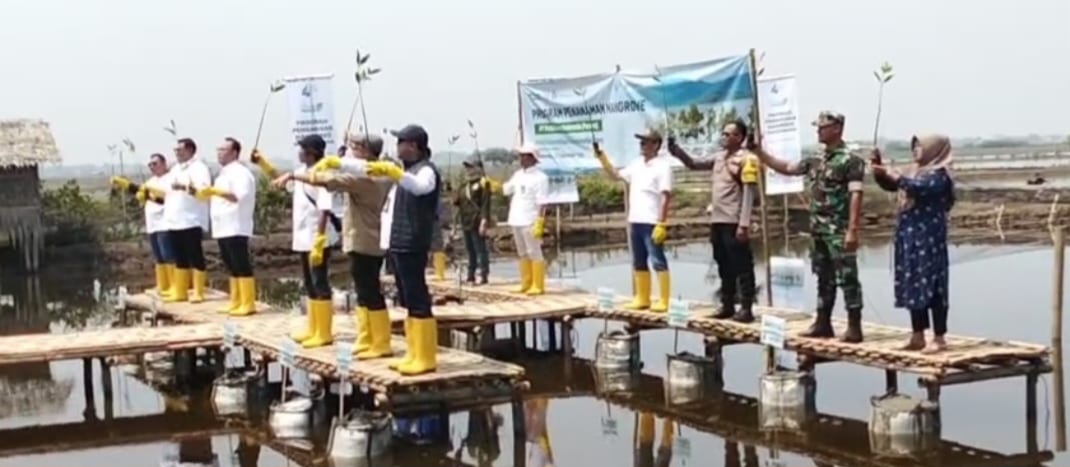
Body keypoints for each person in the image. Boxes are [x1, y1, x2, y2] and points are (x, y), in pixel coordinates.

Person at [751, 111, 866, 342]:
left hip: (839, 229)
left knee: (847, 277)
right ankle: (823, 323)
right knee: (823, 276)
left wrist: (852, 229)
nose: (818, 130)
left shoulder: (851, 160)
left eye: (823, 127)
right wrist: (759, 153)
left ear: (836, 128)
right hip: (818, 229)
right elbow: (787, 168)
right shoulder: (816, 159)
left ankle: (854, 327)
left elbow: (856, 194)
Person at [305, 133, 394, 360]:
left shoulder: (366, 178)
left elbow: (326, 181)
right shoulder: (381, 171)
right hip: (365, 239)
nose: (351, 150)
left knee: (370, 291)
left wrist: (329, 165)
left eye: (354, 147)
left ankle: (381, 341)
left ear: (365, 151)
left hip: (365, 240)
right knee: (363, 291)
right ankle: (366, 336)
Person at [366, 124, 441, 375]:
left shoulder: (426, 171)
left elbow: (420, 187)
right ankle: (413, 352)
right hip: (398, 243)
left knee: (417, 297)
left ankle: (426, 356)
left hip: (413, 242)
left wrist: (396, 173)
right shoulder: (405, 172)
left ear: (413, 146)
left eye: (401, 142)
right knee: (407, 299)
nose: (397, 146)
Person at [668, 119, 759, 322]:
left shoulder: (747, 159)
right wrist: (677, 151)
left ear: (739, 137)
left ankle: (746, 308)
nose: (724, 137)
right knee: (723, 264)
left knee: (742, 266)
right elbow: (693, 164)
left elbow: (749, 193)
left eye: (729, 134)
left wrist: (744, 224)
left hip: (734, 220)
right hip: (717, 220)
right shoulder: (719, 157)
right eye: (723, 134)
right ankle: (727, 305)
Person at [872, 135, 954, 353]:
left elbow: (914, 187)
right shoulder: (914, 171)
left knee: (934, 285)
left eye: (921, 146)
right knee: (912, 282)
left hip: (929, 239)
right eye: (914, 146)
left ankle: (939, 338)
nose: (916, 150)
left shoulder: (939, 176)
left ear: (934, 150)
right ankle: (917, 335)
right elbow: (893, 185)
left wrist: (892, 172)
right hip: (909, 238)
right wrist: (878, 170)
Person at [267, 134, 338, 348]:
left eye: (302, 149)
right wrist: (263, 163)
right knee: (308, 282)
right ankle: (313, 326)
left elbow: (325, 209)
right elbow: (281, 182)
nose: (299, 153)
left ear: (311, 152)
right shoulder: (300, 173)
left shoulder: (322, 174)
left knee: (319, 282)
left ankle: (324, 331)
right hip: (302, 236)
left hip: (317, 237)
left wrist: (320, 238)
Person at [593, 129, 673, 312]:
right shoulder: (636, 164)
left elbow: (665, 196)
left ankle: (664, 300)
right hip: (635, 219)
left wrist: (662, 223)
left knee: (657, 259)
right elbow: (616, 176)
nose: (642, 146)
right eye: (641, 142)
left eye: (645, 142)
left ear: (656, 145)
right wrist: (602, 158)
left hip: (652, 220)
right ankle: (642, 298)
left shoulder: (663, 166)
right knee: (638, 260)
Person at [198, 137, 257, 316]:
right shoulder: (223, 173)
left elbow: (238, 196)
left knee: (241, 262)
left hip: (236, 224)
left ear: (234, 152)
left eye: (223, 150)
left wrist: (215, 191)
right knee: (230, 263)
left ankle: (248, 302)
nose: (219, 153)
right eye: (218, 150)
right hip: (223, 225)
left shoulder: (241, 173)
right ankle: (236, 300)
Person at [109, 153, 174, 297]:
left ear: (164, 164)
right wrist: (125, 184)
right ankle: (162, 285)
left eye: (155, 164)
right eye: (150, 165)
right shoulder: (151, 181)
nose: (152, 167)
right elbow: (140, 190)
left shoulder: (170, 179)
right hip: (152, 224)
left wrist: (149, 196)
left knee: (167, 255)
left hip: (165, 222)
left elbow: (165, 198)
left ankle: (173, 285)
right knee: (158, 256)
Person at [164, 138, 212, 303]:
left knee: (194, 254)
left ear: (190, 150)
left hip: (191, 219)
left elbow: (204, 189)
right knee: (179, 256)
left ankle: (198, 291)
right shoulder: (175, 169)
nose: (177, 153)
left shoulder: (199, 168)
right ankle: (181, 290)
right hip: (175, 219)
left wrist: (185, 186)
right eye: (175, 150)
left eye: (180, 150)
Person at [502, 143, 549, 295]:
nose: (521, 158)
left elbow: (542, 202)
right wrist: (494, 184)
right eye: (520, 155)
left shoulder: (541, 178)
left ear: (532, 158)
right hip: (516, 218)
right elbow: (506, 190)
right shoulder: (518, 175)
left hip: (530, 219)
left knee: (534, 252)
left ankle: (538, 285)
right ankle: (526, 282)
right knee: (522, 253)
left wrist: (540, 222)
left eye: (524, 156)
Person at [455, 156, 493, 285]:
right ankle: (470, 275)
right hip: (465, 221)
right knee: (469, 249)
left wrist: (484, 220)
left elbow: (485, 204)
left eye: (471, 167)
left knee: (480, 248)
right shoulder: (464, 185)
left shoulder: (483, 184)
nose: (468, 170)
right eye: (467, 167)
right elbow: (457, 202)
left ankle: (483, 274)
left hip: (477, 220)